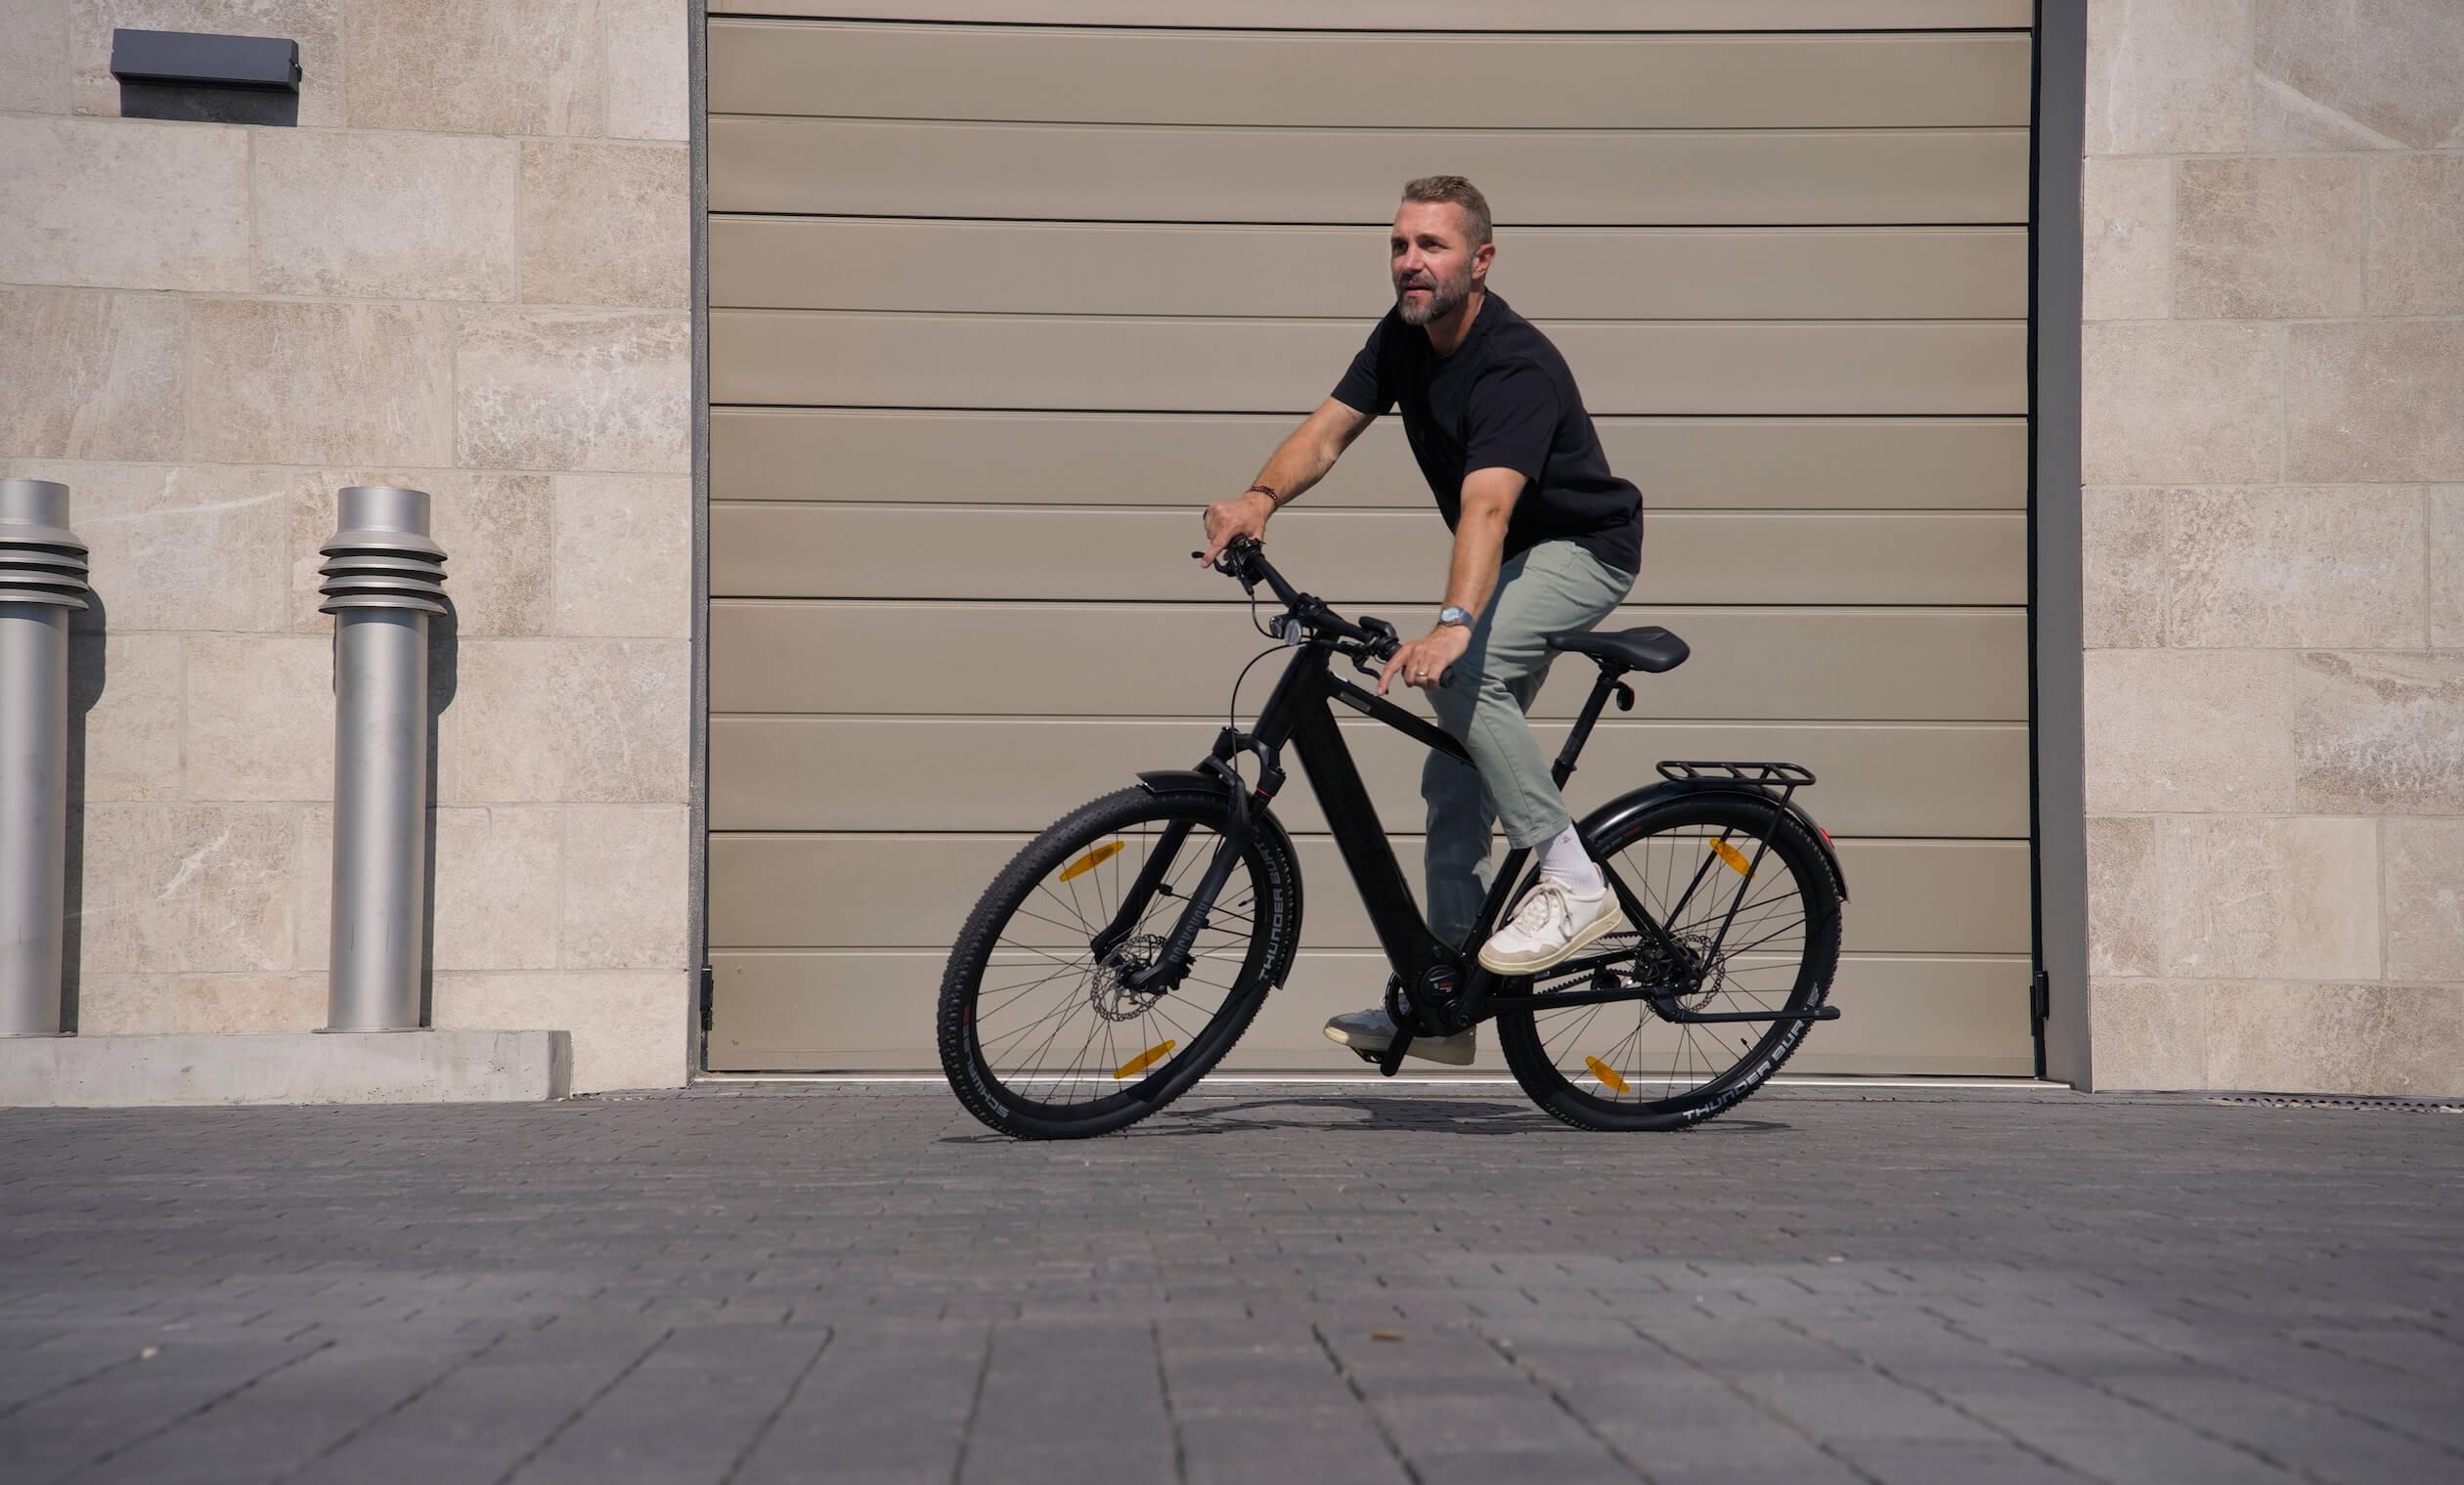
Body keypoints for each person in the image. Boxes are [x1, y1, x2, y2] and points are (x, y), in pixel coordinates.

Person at [1198, 175, 1645, 1066]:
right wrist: (1258, 498)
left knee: (1464, 670)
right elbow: (1325, 434)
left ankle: (1575, 882)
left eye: (1431, 246)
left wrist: (1451, 624)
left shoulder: (1513, 364)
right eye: (1400, 245)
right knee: (1454, 777)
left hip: (1581, 549)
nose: (1411, 262)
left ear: (1480, 261)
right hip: (1507, 554)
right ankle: (1448, 999)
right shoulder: (1402, 338)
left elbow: (1486, 509)